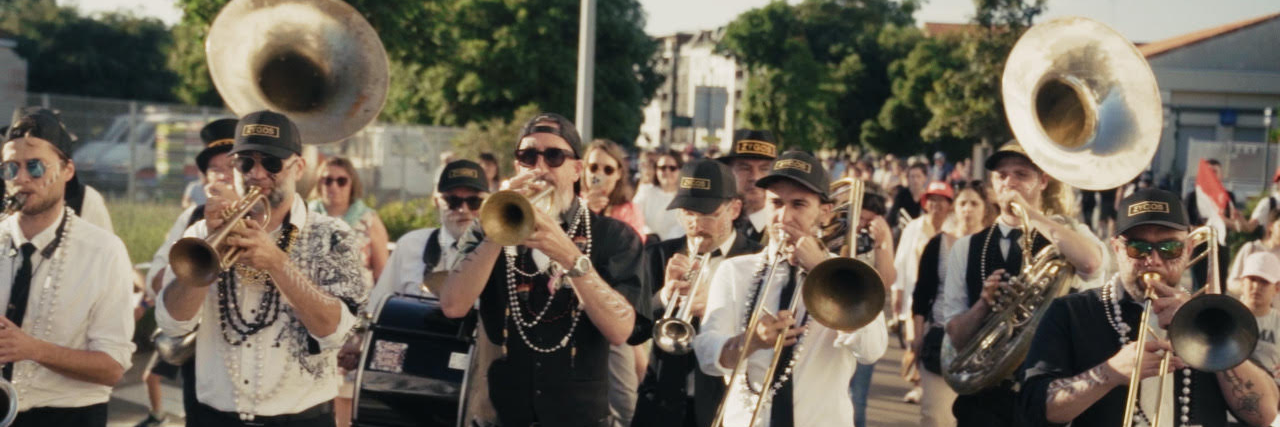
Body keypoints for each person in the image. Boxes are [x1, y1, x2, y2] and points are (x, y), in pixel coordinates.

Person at [156, 110, 368, 427]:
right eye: (245, 163)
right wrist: (211, 245)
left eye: (271, 163)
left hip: (301, 418)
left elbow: (335, 332)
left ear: (299, 167)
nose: (257, 173)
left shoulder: (333, 234)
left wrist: (278, 263)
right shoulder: (203, 231)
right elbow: (172, 323)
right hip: (215, 417)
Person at [437, 112, 649, 427]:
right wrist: (498, 229)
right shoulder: (487, 228)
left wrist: (569, 255)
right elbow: (453, 305)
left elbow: (621, 330)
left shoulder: (614, 236)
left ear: (577, 169)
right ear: (516, 166)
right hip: (504, 416)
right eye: (528, 156)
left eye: (553, 156)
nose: (540, 167)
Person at [1019, 188, 1279, 427]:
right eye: (1137, 248)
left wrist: (1208, 332)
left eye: (1169, 248)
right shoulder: (1071, 312)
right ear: (1117, 249)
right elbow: (1038, 409)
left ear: (1189, 249)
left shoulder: (1215, 317)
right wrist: (1108, 373)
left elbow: (1266, 413)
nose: (1153, 260)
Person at [694, 150, 889, 427]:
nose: (783, 217)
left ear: (824, 212)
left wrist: (822, 269)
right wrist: (750, 341)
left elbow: (872, 349)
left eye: (798, 204)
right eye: (776, 203)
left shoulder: (850, 277)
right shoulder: (735, 271)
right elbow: (706, 354)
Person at [938, 141, 1106, 427]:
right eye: (1001, 176)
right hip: (985, 397)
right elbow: (956, 335)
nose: (1010, 183)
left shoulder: (1070, 233)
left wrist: (1031, 213)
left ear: (1043, 181)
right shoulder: (966, 247)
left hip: (1048, 392)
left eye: (1021, 175)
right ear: (992, 185)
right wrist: (984, 304)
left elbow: (1091, 264)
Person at [0, 108, 136, 427]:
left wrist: (33, 349)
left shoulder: (105, 252)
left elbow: (113, 368)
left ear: (67, 170)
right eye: (10, 168)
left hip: (71, 416)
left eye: (35, 166)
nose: (21, 179)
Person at [350, 159, 497, 427]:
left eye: (474, 202)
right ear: (436, 201)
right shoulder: (410, 246)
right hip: (408, 389)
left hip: (475, 389)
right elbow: (377, 312)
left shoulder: (499, 253)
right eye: (452, 201)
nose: (463, 209)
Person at [633, 159, 762, 427]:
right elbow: (633, 332)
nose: (695, 224)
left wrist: (710, 314)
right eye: (688, 213)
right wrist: (665, 297)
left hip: (725, 406)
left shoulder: (757, 259)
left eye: (707, 214)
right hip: (661, 405)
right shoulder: (658, 255)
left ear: (734, 209)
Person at [137, 118, 238, 427]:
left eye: (232, 166)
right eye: (215, 169)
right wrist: (196, 251)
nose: (223, 176)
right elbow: (156, 282)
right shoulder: (191, 218)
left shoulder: (267, 216)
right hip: (202, 355)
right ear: (204, 178)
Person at [910, 180, 996, 427]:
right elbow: (921, 293)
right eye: (962, 203)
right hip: (940, 339)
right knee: (936, 416)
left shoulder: (993, 245)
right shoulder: (939, 244)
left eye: (974, 203)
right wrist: (917, 338)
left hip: (984, 343)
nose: (967, 209)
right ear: (954, 208)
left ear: (984, 208)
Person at [890, 181, 954, 404]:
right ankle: (918, 384)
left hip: (941, 300)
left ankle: (930, 385)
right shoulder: (914, 228)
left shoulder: (953, 231)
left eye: (941, 201)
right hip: (913, 295)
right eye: (932, 200)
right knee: (913, 340)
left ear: (949, 205)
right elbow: (900, 260)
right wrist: (896, 292)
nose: (936, 205)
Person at [308, 156, 389, 283]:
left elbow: (382, 273)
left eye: (341, 181)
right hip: (310, 295)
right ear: (319, 183)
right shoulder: (305, 216)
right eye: (328, 180)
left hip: (358, 299)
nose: (334, 186)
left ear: (352, 184)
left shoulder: (369, 220)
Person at [1184, 159, 1244, 291]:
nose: (1211, 175)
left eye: (1215, 172)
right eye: (1208, 172)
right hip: (1199, 248)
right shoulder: (1193, 196)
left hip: (1220, 247)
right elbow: (1185, 225)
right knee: (1199, 286)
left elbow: (1236, 226)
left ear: (1221, 175)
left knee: (1220, 285)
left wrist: (1222, 219)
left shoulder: (1227, 197)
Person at [717, 129, 778, 244]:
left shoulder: (783, 232)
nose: (755, 177)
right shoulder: (714, 225)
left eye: (764, 169)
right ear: (729, 172)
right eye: (745, 168)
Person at [1235, 251, 1280, 393]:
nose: (1256, 286)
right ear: (1242, 283)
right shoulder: (1225, 315)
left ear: (1277, 288)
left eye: (1264, 282)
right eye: (1252, 279)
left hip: (1270, 396)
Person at [583, 139, 645, 236]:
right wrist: (584, 212)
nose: (599, 174)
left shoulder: (629, 212)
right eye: (593, 167)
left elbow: (633, 247)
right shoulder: (571, 203)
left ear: (618, 174)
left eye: (608, 170)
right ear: (585, 169)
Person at [634, 149, 685, 241]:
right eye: (662, 168)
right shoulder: (646, 192)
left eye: (672, 168)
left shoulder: (685, 198)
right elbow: (635, 218)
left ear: (680, 170)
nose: (667, 171)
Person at [1227, 209, 1280, 296]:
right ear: (1271, 226)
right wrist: (1251, 287)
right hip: (1250, 307)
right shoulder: (1251, 249)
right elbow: (1232, 283)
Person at [888, 163, 928, 231]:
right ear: (908, 178)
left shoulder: (928, 197)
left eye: (918, 176)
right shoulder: (901, 195)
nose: (915, 180)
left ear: (925, 178)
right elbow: (892, 217)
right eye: (912, 176)